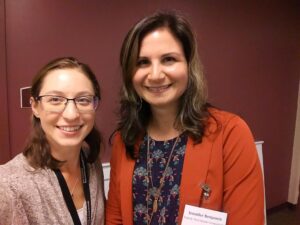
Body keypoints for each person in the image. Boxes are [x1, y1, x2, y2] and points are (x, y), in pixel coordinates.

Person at [106, 11, 265, 225]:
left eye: (169, 59)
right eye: (142, 62)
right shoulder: (124, 139)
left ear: (189, 65)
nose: (155, 75)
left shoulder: (230, 134)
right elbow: (115, 218)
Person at [0, 57, 105, 225]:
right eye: (55, 99)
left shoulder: (91, 162)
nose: (71, 115)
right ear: (35, 106)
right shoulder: (7, 185)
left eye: (83, 100)